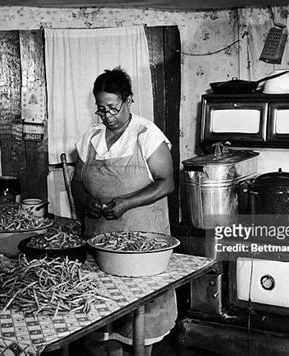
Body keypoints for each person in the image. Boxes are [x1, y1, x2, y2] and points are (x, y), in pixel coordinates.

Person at [71, 67, 176, 355]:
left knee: (137, 329)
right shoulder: (91, 138)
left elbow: (167, 183)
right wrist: (86, 201)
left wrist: (127, 202)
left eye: (113, 108)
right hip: (101, 244)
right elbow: (77, 183)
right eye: (101, 109)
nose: (107, 116)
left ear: (129, 100)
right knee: (100, 327)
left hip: (142, 249)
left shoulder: (146, 134)